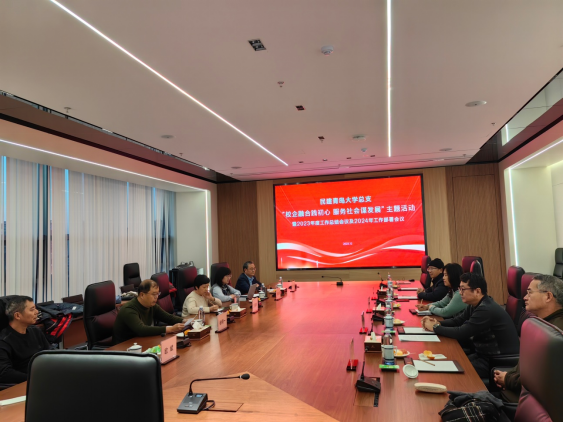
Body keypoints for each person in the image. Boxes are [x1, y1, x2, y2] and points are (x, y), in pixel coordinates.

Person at [422, 273, 520, 379]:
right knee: (449, 363)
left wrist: (435, 328)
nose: (460, 293)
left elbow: (462, 332)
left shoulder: (486, 309)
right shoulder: (476, 304)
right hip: (482, 354)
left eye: (463, 289)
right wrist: (437, 323)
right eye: (459, 289)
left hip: (495, 361)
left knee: (451, 372)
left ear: (477, 291)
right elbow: (457, 321)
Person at [493, 274, 563, 403]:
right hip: (516, 392)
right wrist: (508, 376)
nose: (525, 297)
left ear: (548, 296)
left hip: (523, 403)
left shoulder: (553, 334)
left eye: (530, 292)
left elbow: (541, 379)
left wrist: (508, 379)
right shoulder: (542, 324)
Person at [113, 279, 187, 345]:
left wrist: (185, 321)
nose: (156, 297)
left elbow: (168, 317)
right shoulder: (129, 309)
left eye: (158, 294)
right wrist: (171, 329)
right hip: (124, 347)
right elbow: (141, 329)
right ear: (142, 295)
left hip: (141, 342)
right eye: (154, 294)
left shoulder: (151, 305)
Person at [0, 297, 51, 385]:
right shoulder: (4, 341)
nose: (36, 312)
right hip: (25, 383)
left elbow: (50, 353)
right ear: (17, 315)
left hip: (43, 375)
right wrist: (34, 378)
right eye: (32, 309)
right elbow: (5, 373)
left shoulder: (35, 331)